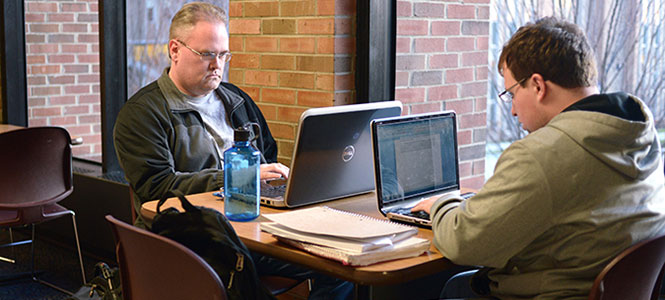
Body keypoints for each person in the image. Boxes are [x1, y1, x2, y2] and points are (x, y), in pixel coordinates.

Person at [413, 17, 665, 299]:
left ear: (537, 85)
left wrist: (443, 203)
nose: (512, 111)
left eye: (511, 93)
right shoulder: (638, 136)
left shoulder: (541, 154)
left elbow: (462, 243)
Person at [113, 3, 352, 299]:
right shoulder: (142, 114)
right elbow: (156, 188)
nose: (218, 64)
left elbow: (267, 154)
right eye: (207, 54)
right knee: (332, 267)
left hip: (254, 226)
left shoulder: (236, 100)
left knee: (343, 261)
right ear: (174, 50)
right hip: (191, 238)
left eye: (223, 54)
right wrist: (236, 177)